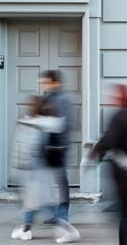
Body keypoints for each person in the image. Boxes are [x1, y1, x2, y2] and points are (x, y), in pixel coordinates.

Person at [11, 96, 80, 243]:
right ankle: (26, 228)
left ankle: (68, 230)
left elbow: (26, 150)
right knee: (33, 204)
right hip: (43, 171)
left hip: (34, 172)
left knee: (43, 205)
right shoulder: (50, 123)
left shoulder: (31, 124)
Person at [90, 85, 127, 245]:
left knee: (126, 213)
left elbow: (110, 140)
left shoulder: (120, 116)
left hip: (124, 174)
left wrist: (95, 151)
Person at [38, 70, 74, 224]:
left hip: (58, 147)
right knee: (45, 181)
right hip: (46, 147)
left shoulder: (63, 100)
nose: (44, 85)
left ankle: (63, 215)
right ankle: (53, 213)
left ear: (56, 82)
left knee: (60, 180)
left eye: (47, 82)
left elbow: (67, 122)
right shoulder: (48, 99)